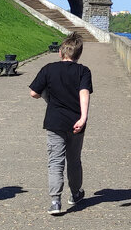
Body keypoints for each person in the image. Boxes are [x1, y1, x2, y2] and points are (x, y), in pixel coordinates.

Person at [29, 33, 93, 215]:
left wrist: (48, 96)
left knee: (55, 162)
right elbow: (84, 93)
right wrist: (83, 118)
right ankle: (75, 194)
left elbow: (33, 93)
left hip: (54, 121)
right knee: (74, 161)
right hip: (76, 123)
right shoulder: (83, 71)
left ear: (60, 52)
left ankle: (55, 201)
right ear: (78, 55)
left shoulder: (48, 69)